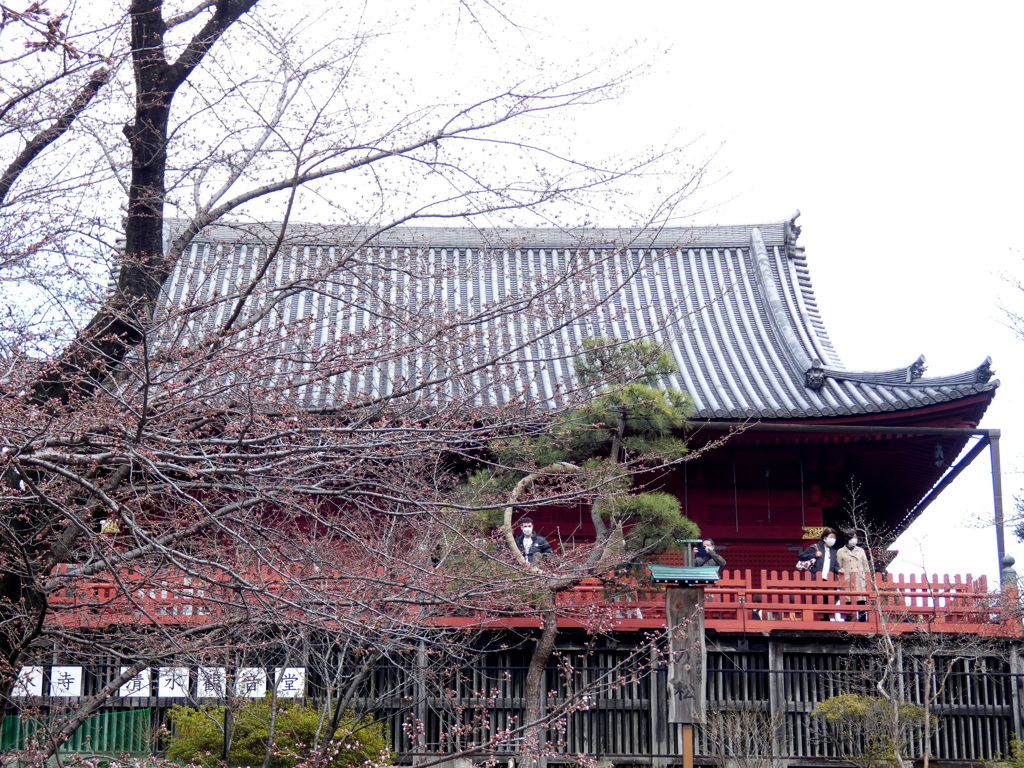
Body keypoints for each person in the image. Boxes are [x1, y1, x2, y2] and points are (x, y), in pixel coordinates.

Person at [837, 530, 871, 621]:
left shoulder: (861, 551)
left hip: (860, 581)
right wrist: (840, 583)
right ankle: (849, 626)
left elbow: (866, 566)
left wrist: (868, 580)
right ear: (847, 538)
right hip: (848, 581)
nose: (855, 539)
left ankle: (863, 626)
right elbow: (838, 568)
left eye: (856, 537)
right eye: (853, 537)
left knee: (861, 604)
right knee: (849, 606)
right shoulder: (841, 551)